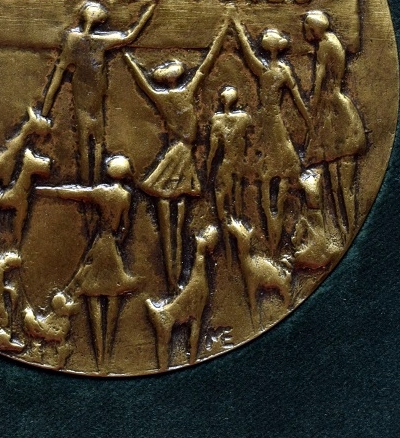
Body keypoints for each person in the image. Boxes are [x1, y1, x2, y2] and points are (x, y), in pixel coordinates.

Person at [123, 17, 228, 289]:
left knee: (172, 220)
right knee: (176, 220)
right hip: (178, 155)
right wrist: (221, 37)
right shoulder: (184, 92)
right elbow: (205, 65)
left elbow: (144, 84)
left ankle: (175, 277)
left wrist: (130, 61)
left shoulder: (165, 96)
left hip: (179, 156)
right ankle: (174, 276)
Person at [35, 155, 136, 374]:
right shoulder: (126, 195)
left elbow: (74, 193)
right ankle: (107, 359)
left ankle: (98, 360)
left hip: (99, 248)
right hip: (112, 251)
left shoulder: (102, 192)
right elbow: (125, 227)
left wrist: (45, 190)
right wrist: (116, 239)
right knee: (113, 302)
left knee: (93, 303)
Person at [42, 1, 155, 183]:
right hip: (85, 97)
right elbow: (58, 74)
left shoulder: (95, 41)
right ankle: (89, 181)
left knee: (94, 139)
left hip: (95, 98)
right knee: (90, 139)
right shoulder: (78, 40)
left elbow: (58, 74)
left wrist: (148, 13)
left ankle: (92, 181)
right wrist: (45, 110)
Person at [232, 17, 311, 253]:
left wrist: (237, 29)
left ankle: (274, 242)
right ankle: (274, 243)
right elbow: (298, 99)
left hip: (269, 124)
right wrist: (308, 119)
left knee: (270, 188)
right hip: (271, 124)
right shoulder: (281, 71)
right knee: (274, 187)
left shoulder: (266, 70)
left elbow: (247, 53)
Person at [303, 10, 366, 235]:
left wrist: (313, 102)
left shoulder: (325, 45)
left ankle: (344, 228)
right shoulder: (334, 41)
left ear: (314, 28)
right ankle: (344, 228)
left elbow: (320, 77)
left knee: (338, 181)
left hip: (331, 108)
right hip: (337, 105)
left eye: (307, 27)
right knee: (340, 182)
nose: (305, 31)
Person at [207, 85, 254, 259]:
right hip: (239, 169)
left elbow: (213, 152)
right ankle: (238, 254)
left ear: (222, 101)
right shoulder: (244, 118)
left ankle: (228, 253)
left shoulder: (217, 120)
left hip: (224, 168)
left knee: (223, 212)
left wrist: (208, 171)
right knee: (237, 211)